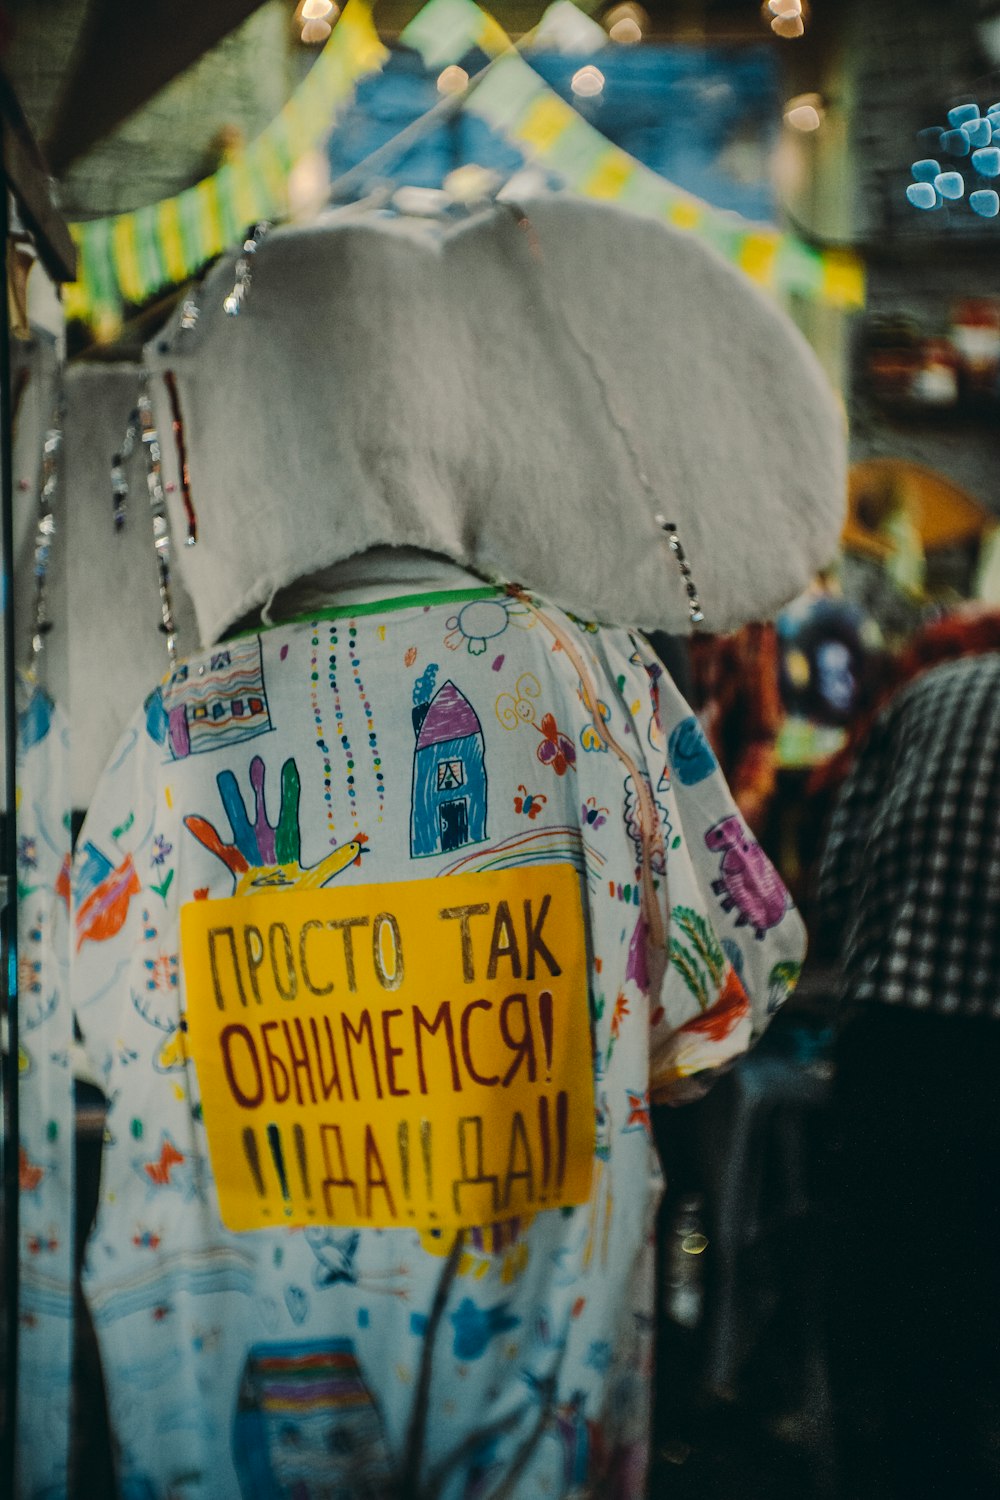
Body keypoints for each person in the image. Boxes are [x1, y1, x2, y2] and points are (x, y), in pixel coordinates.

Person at [816, 650, 1000, 1500]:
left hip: (894, 1038)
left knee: (892, 1300)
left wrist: (870, 955)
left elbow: (840, 856)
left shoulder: (933, 693)